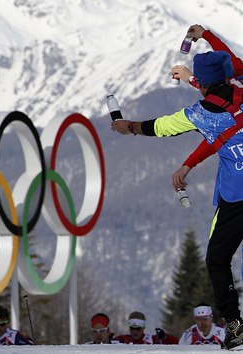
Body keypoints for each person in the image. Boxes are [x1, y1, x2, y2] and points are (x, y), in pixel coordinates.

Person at [111, 51, 243, 350]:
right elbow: (226, 86)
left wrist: (128, 126)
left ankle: (235, 325)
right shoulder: (240, 87)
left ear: (204, 83)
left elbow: (161, 126)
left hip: (237, 196)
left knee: (218, 260)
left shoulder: (202, 115)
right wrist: (193, 76)